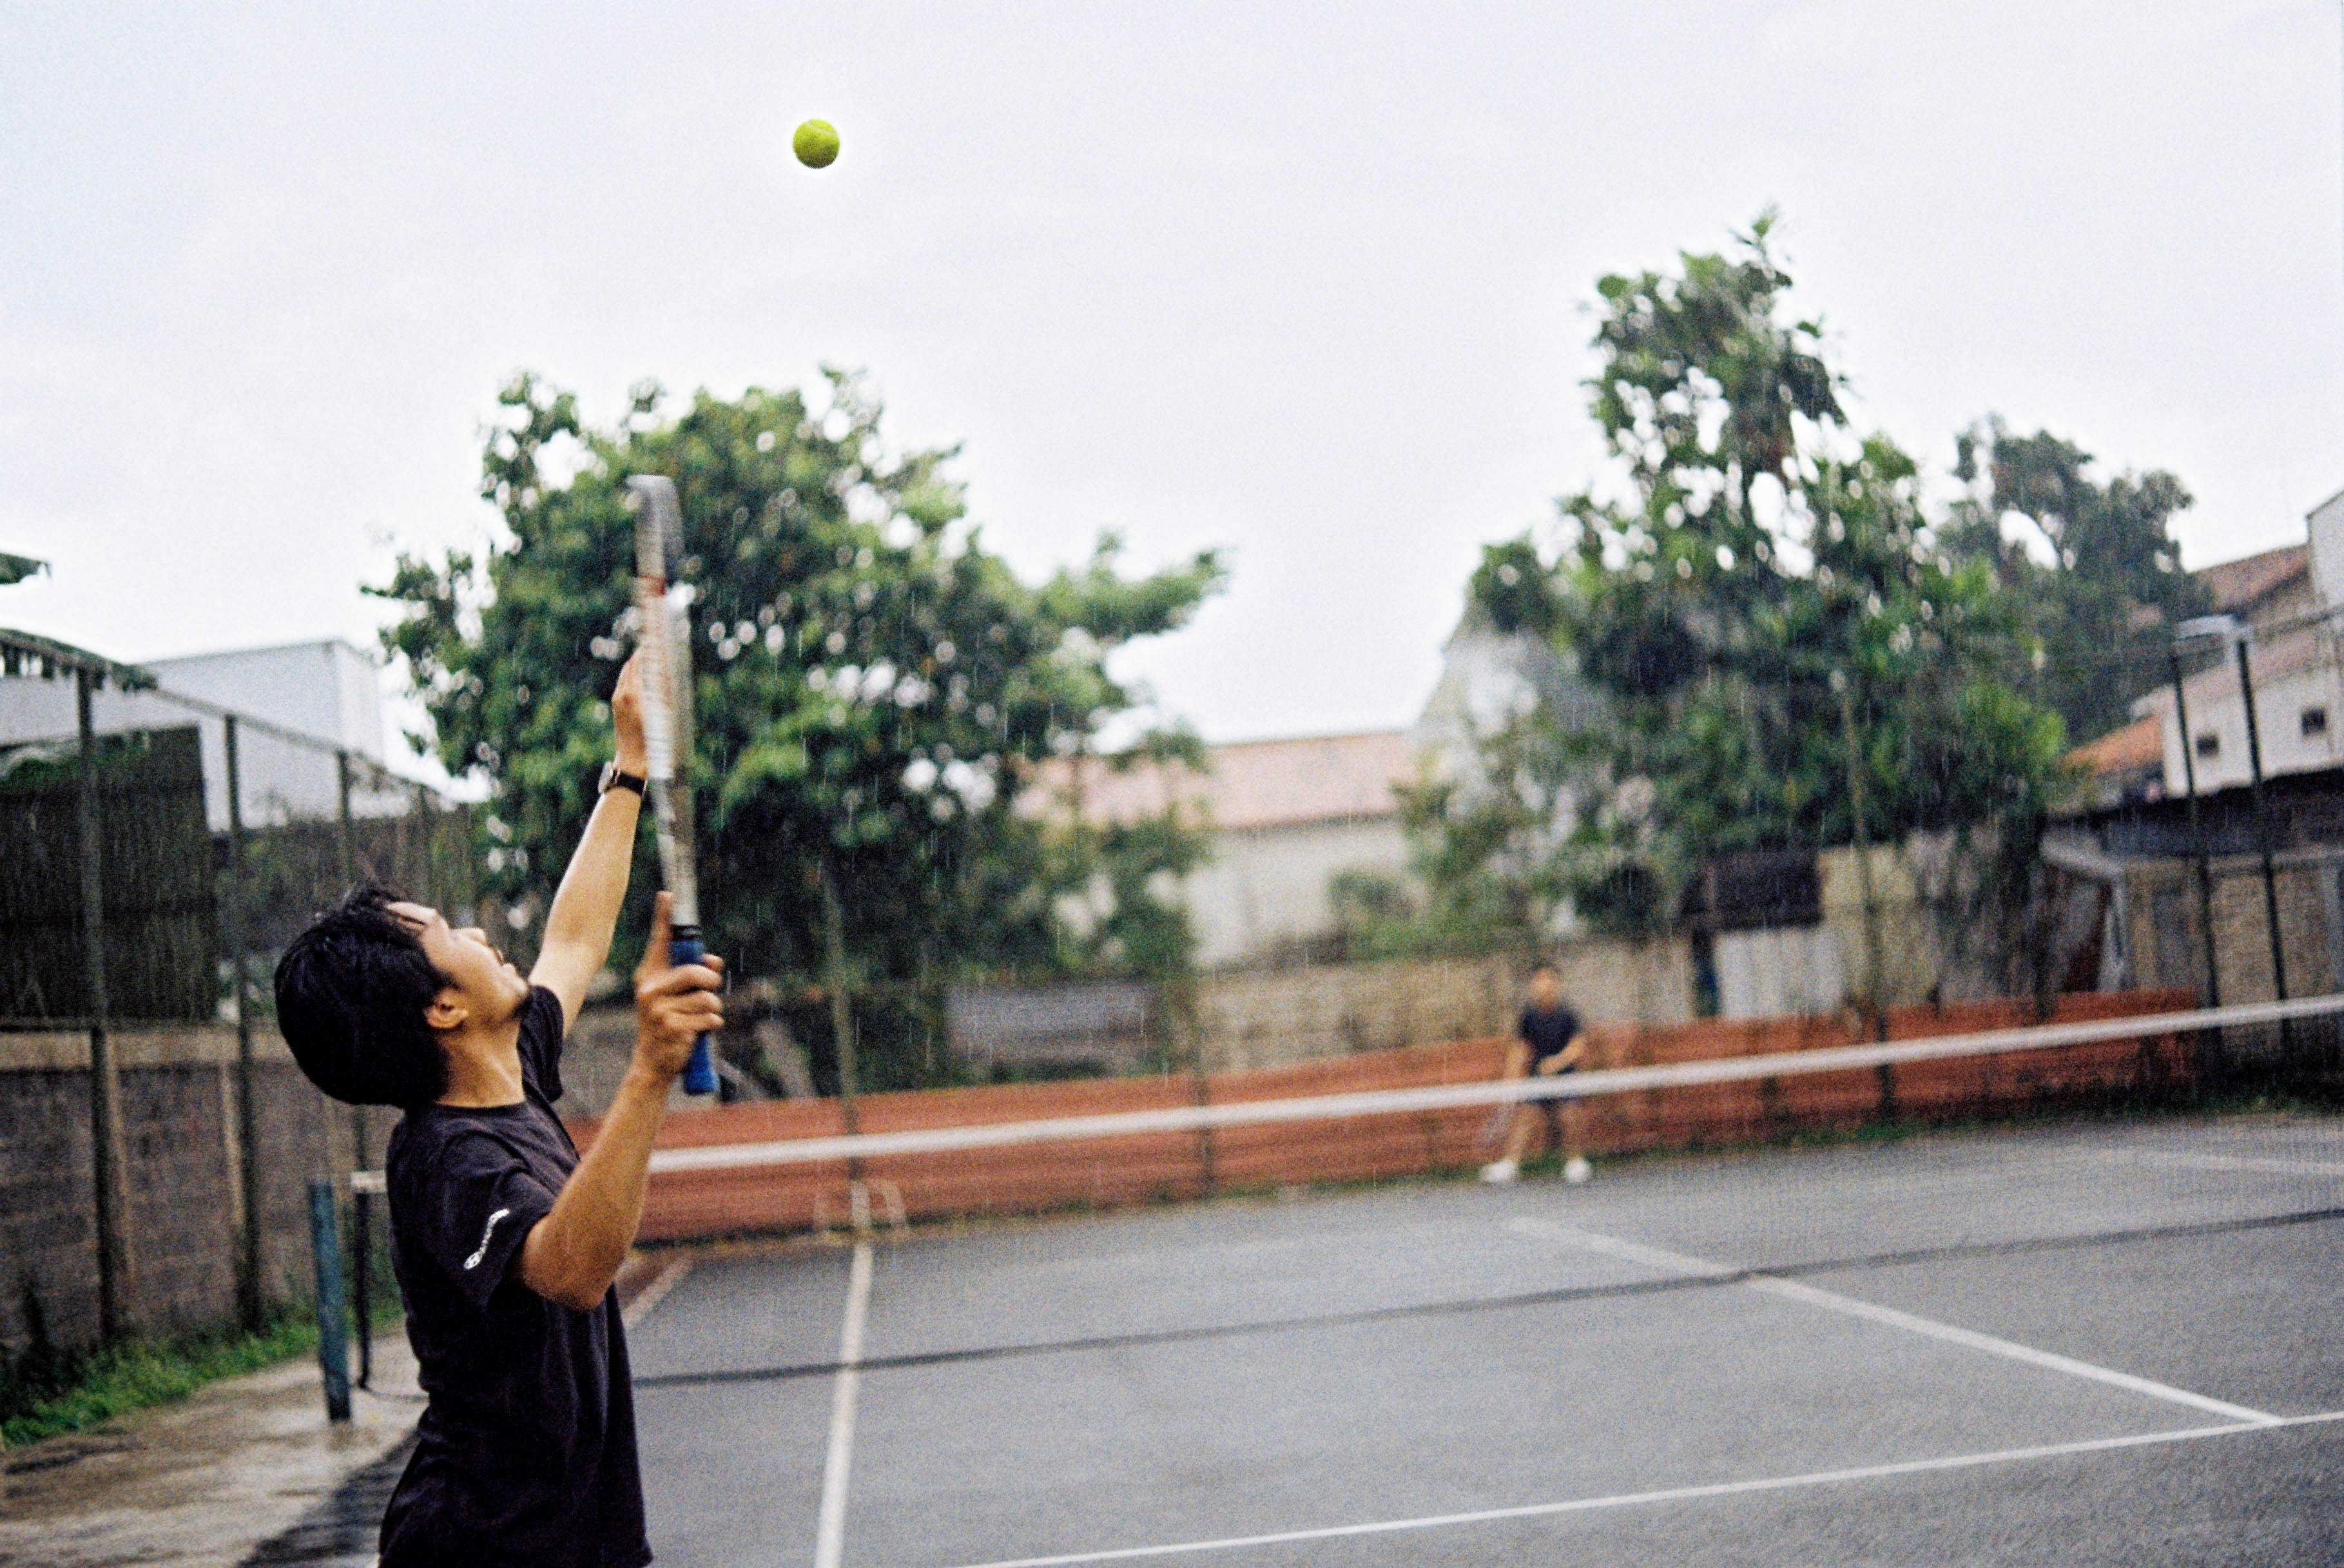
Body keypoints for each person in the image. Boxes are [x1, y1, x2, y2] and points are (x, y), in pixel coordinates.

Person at [272, 652, 723, 1568]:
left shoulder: (512, 1063)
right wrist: (647, 1075)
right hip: (488, 1547)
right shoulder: (445, 1161)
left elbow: (577, 933)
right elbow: (571, 1268)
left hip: (574, 1539)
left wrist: (628, 763)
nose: (479, 933)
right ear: (443, 1008)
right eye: (450, 933)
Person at [1480, 964, 1592, 1186]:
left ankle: (1576, 1163)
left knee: (1569, 1115)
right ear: (1533, 985)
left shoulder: (1568, 1014)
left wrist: (1557, 1063)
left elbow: (1578, 1046)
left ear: (1557, 984)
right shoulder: (1528, 1016)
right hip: (1538, 1075)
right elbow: (1521, 1048)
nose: (1545, 984)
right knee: (1525, 1117)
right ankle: (1510, 1166)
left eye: (1549, 979)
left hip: (1565, 1074)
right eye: (1540, 980)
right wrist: (1511, 1077)